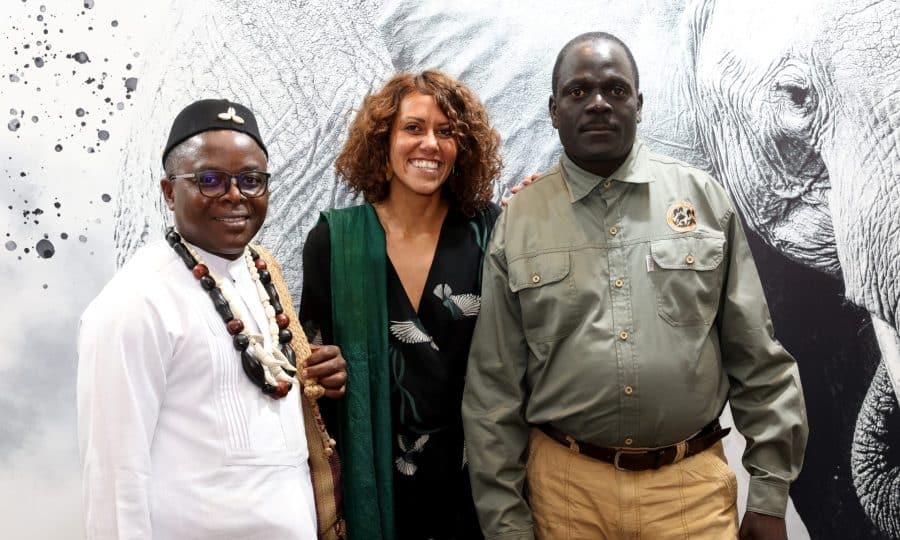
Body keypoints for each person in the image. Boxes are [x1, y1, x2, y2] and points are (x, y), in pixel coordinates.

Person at [462, 32, 808, 540]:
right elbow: (492, 390)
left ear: (639, 105)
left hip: (688, 494)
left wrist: (770, 495)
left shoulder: (704, 201)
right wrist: (506, 525)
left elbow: (759, 359)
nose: (599, 103)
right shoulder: (519, 222)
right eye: (578, 92)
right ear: (553, 110)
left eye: (615, 90)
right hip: (564, 496)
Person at [78, 99, 347, 539]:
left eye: (251, 180)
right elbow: (114, 483)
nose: (235, 195)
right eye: (209, 180)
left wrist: (316, 380)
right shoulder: (134, 304)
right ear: (169, 192)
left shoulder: (262, 274)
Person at [299, 70, 502, 540]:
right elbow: (314, 364)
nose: (430, 143)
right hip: (374, 481)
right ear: (382, 142)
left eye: (446, 131)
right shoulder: (336, 241)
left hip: (476, 484)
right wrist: (320, 374)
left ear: (463, 148)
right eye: (413, 128)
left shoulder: (491, 232)